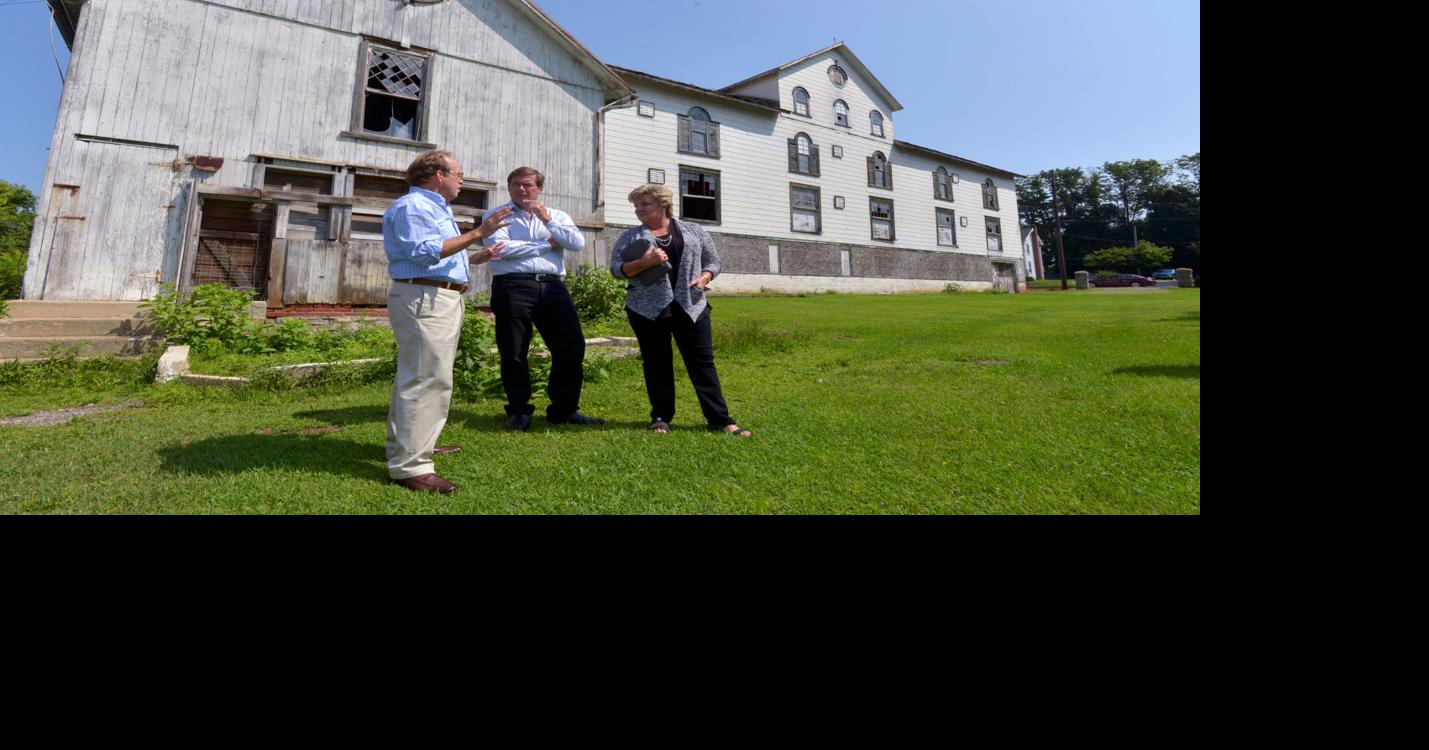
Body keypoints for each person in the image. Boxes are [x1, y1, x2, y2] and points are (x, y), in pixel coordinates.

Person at [383, 150, 512, 494]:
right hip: (426, 299)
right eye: (458, 173)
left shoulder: (433, 207)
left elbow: (430, 257)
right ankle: (411, 466)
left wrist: (475, 256)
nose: (462, 179)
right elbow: (424, 252)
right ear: (438, 174)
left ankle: (414, 446)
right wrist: (479, 232)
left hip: (437, 295)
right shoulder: (414, 207)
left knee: (422, 375)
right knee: (426, 379)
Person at [609, 184, 751, 437]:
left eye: (644, 204)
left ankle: (720, 419)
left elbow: (714, 261)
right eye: (636, 206)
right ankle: (661, 417)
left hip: (692, 305)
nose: (638, 210)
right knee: (656, 363)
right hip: (646, 308)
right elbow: (617, 269)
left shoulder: (694, 230)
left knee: (702, 364)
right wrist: (645, 262)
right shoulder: (629, 237)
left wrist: (705, 277)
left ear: (663, 204)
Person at [481, 167, 603, 431]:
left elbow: (576, 243)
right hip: (512, 286)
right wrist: (547, 243)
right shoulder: (496, 215)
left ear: (540, 188)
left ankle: (564, 409)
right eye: (515, 185)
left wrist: (548, 221)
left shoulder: (557, 216)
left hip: (552, 287)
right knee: (513, 350)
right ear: (509, 187)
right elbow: (500, 250)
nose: (521, 190)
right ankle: (518, 410)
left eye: (527, 185)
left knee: (571, 348)